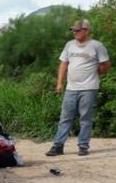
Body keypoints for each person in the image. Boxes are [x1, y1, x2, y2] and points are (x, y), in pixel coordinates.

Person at [46, 19, 111, 156]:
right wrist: (59, 83)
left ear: (87, 30)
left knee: (85, 118)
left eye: (78, 30)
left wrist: (99, 71)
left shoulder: (97, 46)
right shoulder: (69, 45)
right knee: (65, 117)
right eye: (74, 30)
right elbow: (63, 64)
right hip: (71, 88)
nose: (75, 32)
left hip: (89, 87)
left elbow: (105, 64)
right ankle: (58, 146)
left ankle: (83, 146)